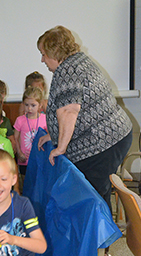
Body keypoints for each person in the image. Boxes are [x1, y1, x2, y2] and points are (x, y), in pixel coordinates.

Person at [37, 26, 133, 211]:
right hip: (111, 139)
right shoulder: (77, 62)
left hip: (100, 144)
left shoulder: (67, 71)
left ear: (53, 51)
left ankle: (98, 238)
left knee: (90, 199)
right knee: (96, 195)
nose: (42, 59)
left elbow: (69, 111)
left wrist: (61, 147)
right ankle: (102, 238)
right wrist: (54, 136)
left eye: (43, 53)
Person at [14, 86, 47, 177]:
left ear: (40, 105)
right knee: (25, 184)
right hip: (24, 160)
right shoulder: (20, 120)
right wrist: (19, 153)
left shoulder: (44, 119)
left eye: (33, 105)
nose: (29, 109)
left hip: (40, 159)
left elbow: (49, 138)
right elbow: (15, 138)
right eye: (26, 105)